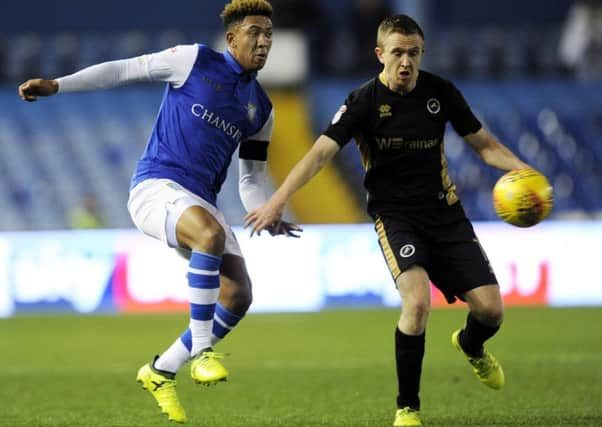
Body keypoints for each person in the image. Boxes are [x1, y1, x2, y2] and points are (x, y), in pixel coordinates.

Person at [18, 0, 299, 423]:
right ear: (232, 38)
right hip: (156, 187)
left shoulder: (261, 108)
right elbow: (123, 70)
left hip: (201, 200)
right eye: (255, 33)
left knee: (239, 295)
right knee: (209, 235)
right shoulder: (193, 60)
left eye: (269, 35)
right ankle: (203, 350)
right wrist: (59, 84)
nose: (264, 42)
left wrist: (265, 210)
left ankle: (160, 370)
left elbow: (251, 178)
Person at [245, 14, 531, 427]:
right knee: (416, 304)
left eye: (413, 53)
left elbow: (484, 146)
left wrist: (524, 172)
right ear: (380, 54)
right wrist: (277, 201)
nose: (406, 61)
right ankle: (408, 408)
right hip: (396, 217)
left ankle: (471, 346)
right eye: (397, 52)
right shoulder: (362, 101)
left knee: (490, 312)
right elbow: (319, 155)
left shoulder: (440, 92)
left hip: (446, 216)